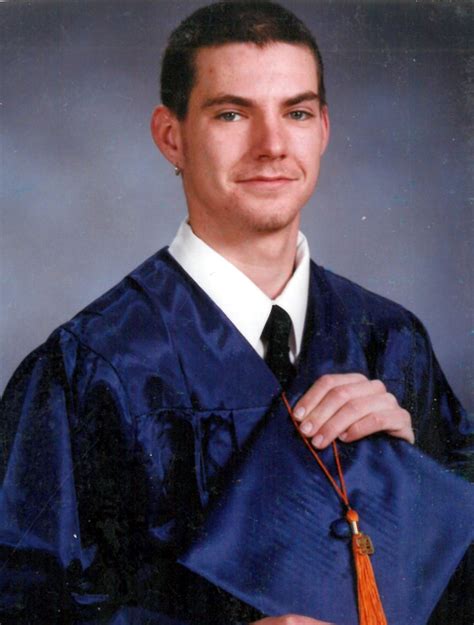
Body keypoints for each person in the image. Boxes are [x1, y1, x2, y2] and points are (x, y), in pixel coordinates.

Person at [0, 2, 471, 624]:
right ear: (171, 136)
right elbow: (26, 605)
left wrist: (412, 479)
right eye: (231, 114)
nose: (272, 146)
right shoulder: (91, 366)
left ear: (323, 130)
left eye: (296, 113)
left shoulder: (391, 340)